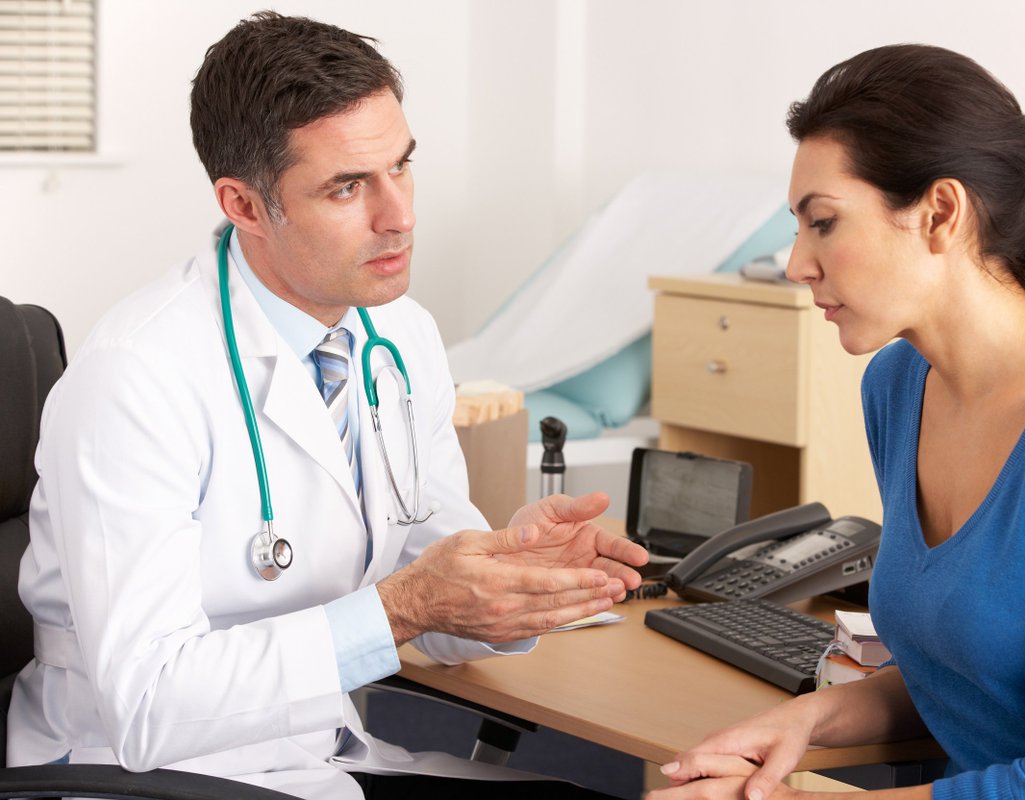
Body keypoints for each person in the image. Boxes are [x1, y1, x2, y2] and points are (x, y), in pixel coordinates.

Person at [7, 12, 648, 799]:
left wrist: (510, 579)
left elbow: (428, 585)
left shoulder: (398, 337)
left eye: (402, 168)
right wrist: (406, 606)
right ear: (244, 205)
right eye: (348, 187)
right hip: (143, 772)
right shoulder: (134, 378)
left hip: (318, 751)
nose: (399, 216)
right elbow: (147, 705)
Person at [649, 44, 1025, 800]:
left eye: (824, 224)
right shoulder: (898, 384)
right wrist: (807, 721)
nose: (796, 263)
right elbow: (972, 676)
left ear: (940, 212)